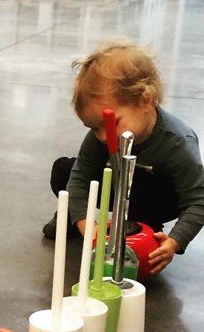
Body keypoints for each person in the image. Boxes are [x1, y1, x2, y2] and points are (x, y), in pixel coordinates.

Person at [44, 41, 204, 275]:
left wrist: (175, 241)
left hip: (153, 197)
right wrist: (87, 226)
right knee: (64, 171)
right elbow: (79, 181)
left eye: (111, 123)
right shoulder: (103, 136)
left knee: (158, 192)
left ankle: (145, 226)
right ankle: (71, 215)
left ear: (145, 99)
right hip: (116, 187)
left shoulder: (178, 143)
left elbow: (198, 201)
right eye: (94, 128)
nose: (102, 136)